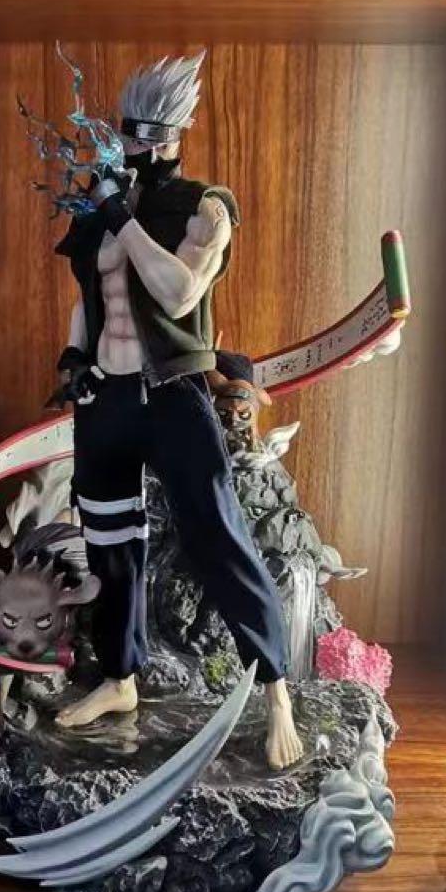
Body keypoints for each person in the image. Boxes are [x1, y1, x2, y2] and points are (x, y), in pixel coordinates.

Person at [51, 54, 303, 769]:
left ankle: (277, 688)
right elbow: (92, 296)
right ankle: (119, 677)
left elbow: (178, 291)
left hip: (172, 396)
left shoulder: (204, 208)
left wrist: (123, 218)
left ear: (172, 135)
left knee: (218, 535)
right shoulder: (100, 205)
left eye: (145, 133)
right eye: (126, 130)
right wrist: (72, 356)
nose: (132, 144)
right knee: (110, 541)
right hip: (106, 395)